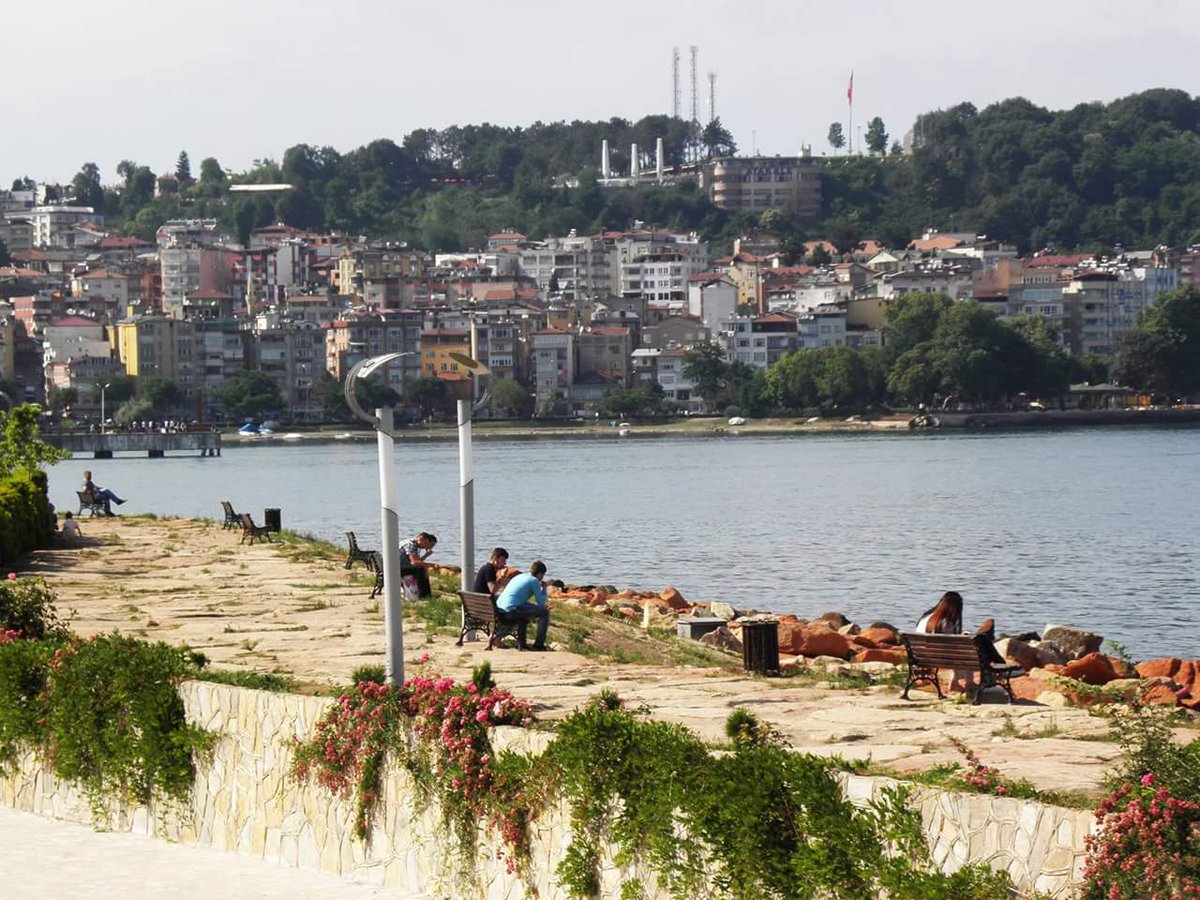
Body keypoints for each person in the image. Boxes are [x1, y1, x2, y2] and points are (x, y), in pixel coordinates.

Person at [495, 560, 551, 651]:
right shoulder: (534, 581)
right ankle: (539, 645)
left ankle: (521, 643)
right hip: (511, 611)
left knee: (528, 605)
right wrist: (544, 589)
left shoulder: (520, 576)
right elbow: (541, 603)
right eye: (543, 575)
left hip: (501, 607)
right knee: (544, 612)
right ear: (540, 574)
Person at [398, 532, 437, 599]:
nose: (425, 546)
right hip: (396, 567)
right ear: (420, 539)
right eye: (426, 543)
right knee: (420, 570)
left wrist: (426, 555)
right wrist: (432, 565)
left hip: (399, 565)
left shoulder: (415, 545)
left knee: (422, 568)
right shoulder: (410, 545)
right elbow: (414, 562)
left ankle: (426, 594)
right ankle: (423, 595)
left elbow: (417, 561)